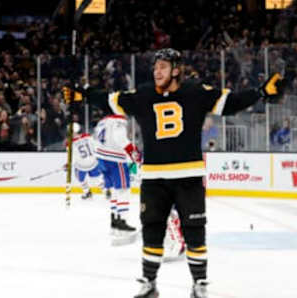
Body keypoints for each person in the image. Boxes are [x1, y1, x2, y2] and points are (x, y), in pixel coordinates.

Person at [63, 48, 285, 298]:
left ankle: (199, 284)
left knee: (194, 231)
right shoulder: (144, 94)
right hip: (154, 178)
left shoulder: (196, 92)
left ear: (176, 70)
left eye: (163, 67)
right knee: (152, 232)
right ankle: (149, 282)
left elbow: (230, 103)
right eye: (156, 67)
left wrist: (260, 92)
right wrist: (83, 95)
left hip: (188, 176)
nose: (157, 71)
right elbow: (110, 99)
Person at [94, 114, 141, 245]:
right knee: (123, 189)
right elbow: (120, 139)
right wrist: (133, 152)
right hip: (114, 159)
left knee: (115, 189)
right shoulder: (118, 121)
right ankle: (122, 222)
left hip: (102, 157)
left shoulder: (102, 121)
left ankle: (114, 220)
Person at [71, 123, 104, 200]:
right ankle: (106, 191)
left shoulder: (70, 143)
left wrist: (68, 164)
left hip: (81, 166)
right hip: (93, 162)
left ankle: (87, 192)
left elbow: (72, 156)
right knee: (97, 178)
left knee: (81, 179)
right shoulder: (88, 136)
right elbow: (96, 146)